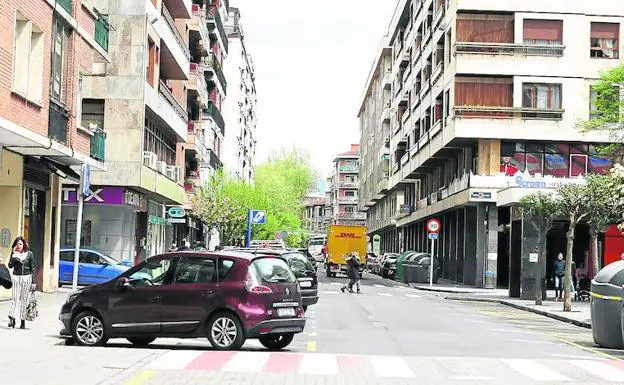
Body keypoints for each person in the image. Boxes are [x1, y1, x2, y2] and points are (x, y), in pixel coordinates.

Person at [7, 236, 35, 329]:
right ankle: (12, 318)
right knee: (14, 298)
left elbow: (32, 268)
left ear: (23, 244)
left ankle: (22, 321)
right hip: (16, 277)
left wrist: (33, 282)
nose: (18, 246)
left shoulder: (29, 254)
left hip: (26, 278)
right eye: (17, 244)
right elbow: (10, 266)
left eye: (20, 244)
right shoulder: (14, 254)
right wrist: (13, 254)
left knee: (24, 300)